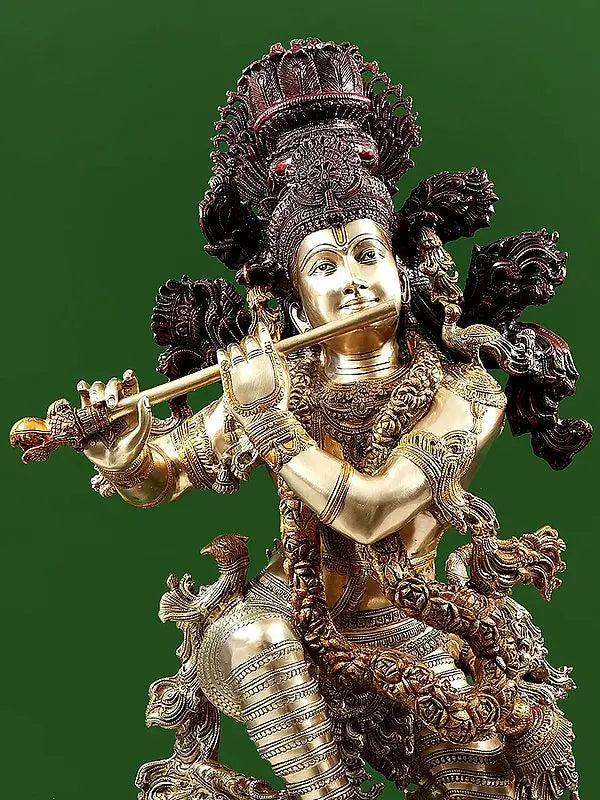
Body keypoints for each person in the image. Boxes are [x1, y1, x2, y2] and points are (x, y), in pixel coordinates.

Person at [16, 39, 590, 800]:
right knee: (251, 635)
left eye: (366, 254)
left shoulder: (464, 390)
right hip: (286, 627)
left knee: (487, 767)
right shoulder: (280, 378)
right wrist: (124, 451)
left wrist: (268, 421)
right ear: (294, 298)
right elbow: (166, 474)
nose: (353, 282)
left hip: (411, 627)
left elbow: (371, 510)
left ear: (402, 265)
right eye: (323, 265)